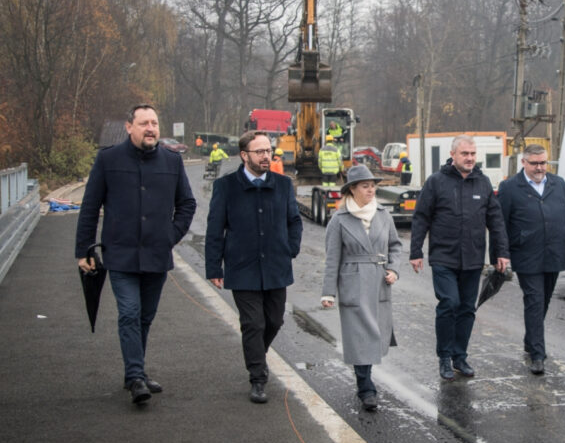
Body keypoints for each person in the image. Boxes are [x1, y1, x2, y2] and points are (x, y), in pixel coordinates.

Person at [75, 104, 196, 406]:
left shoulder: (171, 161)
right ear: (129, 127)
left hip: (156, 255)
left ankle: (134, 372)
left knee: (144, 317)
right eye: (144, 123)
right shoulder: (108, 159)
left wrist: (170, 236)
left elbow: (187, 204)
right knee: (129, 312)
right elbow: (90, 206)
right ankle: (136, 378)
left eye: (154, 123)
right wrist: (83, 249)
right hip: (120, 254)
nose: (150, 128)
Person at [205, 131, 303, 404]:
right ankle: (258, 378)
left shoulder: (283, 184)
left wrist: (290, 248)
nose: (266, 156)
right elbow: (215, 229)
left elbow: (294, 221)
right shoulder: (226, 186)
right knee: (253, 324)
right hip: (242, 267)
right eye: (259, 151)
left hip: (276, 266)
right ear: (244, 155)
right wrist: (214, 268)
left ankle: (257, 354)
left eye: (268, 151)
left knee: (274, 320)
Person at [410, 134, 509, 381]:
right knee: (449, 303)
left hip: (473, 258)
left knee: (467, 309)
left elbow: (496, 221)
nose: (470, 158)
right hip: (443, 256)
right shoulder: (436, 182)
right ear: (453, 155)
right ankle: (444, 357)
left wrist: (501, 253)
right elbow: (421, 217)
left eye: (473, 154)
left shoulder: (483, 183)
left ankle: (459, 357)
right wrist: (416, 251)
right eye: (465, 153)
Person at [320, 165, 402, 411]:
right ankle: (366, 387)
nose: (371, 190)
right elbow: (332, 258)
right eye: (365, 186)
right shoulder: (339, 220)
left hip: (379, 281)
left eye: (373, 186)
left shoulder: (383, 215)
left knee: (376, 334)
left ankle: (365, 382)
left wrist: (394, 269)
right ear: (352, 189)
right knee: (359, 337)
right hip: (353, 282)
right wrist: (328, 292)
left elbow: (395, 246)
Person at [498, 144, 565, 375]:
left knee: (543, 300)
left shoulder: (559, 184)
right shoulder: (509, 188)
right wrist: (500, 253)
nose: (539, 168)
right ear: (523, 162)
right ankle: (537, 354)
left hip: (554, 251)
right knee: (534, 300)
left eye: (543, 163)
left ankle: (531, 339)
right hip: (526, 253)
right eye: (534, 163)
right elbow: (500, 223)